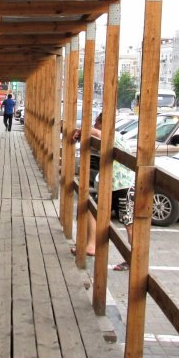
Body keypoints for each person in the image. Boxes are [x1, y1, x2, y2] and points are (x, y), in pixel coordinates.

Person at [71, 112, 134, 266]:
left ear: (102, 123)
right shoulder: (111, 137)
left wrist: (82, 130)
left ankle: (134, 259)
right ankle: (91, 246)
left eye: (97, 122)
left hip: (123, 186)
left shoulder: (113, 136)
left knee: (129, 224)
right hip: (109, 186)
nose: (95, 125)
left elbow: (96, 132)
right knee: (93, 212)